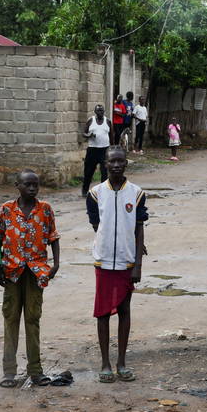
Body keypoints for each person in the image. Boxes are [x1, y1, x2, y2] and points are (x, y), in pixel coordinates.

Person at [0, 170, 60, 388]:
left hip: (35, 273)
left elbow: (53, 237)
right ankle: (9, 372)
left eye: (35, 185)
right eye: (27, 185)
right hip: (11, 272)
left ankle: (35, 370)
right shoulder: (6, 210)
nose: (32, 189)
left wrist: (56, 264)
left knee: (33, 319)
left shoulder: (45, 209)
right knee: (11, 318)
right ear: (17, 185)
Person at [86, 146, 148, 383]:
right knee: (102, 312)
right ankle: (105, 363)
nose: (116, 165)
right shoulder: (95, 193)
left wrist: (137, 264)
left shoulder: (137, 193)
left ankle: (122, 362)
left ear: (126, 164)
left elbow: (139, 227)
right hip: (103, 261)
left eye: (120, 161)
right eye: (112, 162)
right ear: (105, 164)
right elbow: (96, 224)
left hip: (126, 261)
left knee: (124, 310)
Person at [82, 104, 113, 197]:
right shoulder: (91, 120)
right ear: (95, 112)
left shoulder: (107, 121)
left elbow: (111, 135)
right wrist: (89, 135)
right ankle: (85, 190)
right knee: (88, 171)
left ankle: (103, 191)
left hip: (104, 150)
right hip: (92, 150)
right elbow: (84, 133)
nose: (100, 112)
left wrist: (112, 148)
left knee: (104, 172)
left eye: (102, 111)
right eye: (98, 111)